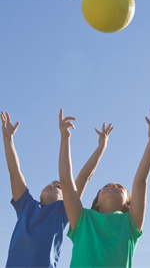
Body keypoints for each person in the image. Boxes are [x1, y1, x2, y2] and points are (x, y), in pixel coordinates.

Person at [1, 111, 113, 267]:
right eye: (50, 184)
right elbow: (14, 172)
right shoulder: (26, 205)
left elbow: (84, 177)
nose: (51, 185)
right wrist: (8, 139)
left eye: (57, 186)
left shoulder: (63, 211)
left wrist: (101, 146)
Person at [59, 106, 150, 268]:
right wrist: (65, 139)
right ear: (97, 201)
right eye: (106, 186)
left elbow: (141, 181)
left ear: (128, 204)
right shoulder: (82, 220)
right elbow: (69, 180)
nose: (113, 185)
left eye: (120, 187)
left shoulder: (130, 224)